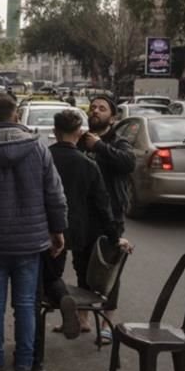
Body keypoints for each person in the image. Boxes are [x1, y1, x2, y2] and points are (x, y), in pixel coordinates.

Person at [0, 93, 67, 371]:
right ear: (15, 115)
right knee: (25, 306)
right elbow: (54, 193)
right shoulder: (38, 147)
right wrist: (58, 229)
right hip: (30, 242)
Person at [46, 111, 129, 341]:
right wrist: (115, 237)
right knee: (85, 275)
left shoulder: (44, 158)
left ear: (55, 132)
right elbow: (103, 206)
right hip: (78, 230)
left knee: (49, 278)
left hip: (46, 229)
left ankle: (64, 306)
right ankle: (81, 314)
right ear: (79, 133)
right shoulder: (88, 165)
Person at [79, 95, 136, 342]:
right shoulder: (81, 139)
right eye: (93, 107)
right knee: (82, 266)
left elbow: (128, 163)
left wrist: (99, 146)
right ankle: (82, 319)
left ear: (112, 117)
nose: (95, 111)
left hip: (110, 216)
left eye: (102, 108)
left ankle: (106, 323)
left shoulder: (118, 141)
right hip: (84, 215)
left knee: (109, 271)